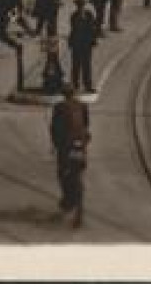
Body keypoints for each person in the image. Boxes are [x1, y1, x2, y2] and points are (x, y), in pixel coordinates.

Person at [50, 84, 90, 226]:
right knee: (78, 171)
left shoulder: (59, 107)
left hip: (67, 145)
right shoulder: (83, 106)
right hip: (81, 143)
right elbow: (86, 124)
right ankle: (76, 204)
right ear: (74, 93)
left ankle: (68, 199)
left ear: (63, 94)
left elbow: (54, 128)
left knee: (62, 172)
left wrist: (55, 145)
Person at [68, 0, 101, 93]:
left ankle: (88, 85)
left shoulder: (89, 15)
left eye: (82, 4)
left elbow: (92, 29)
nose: (80, 6)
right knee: (76, 65)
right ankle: (75, 84)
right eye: (79, 4)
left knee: (86, 65)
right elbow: (73, 30)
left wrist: (93, 40)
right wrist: (71, 42)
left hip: (86, 44)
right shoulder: (74, 16)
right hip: (77, 43)